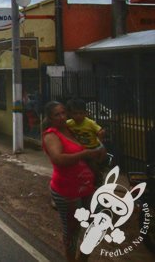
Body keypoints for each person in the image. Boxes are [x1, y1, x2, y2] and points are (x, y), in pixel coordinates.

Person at [42, 101, 101, 262]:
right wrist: (85, 154)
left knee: (97, 224)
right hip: (67, 190)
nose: (62, 117)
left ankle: (82, 258)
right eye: (57, 114)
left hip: (87, 187)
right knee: (72, 231)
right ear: (49, 118)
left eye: (63, 113)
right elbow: (58, 159)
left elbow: (90, 140)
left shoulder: (72, 129)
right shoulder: (51, 135)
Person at [66, 98, 107, 183]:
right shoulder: (69, 123)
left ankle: (98, 179)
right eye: (75, 113)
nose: (78, 116)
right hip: (79, 149)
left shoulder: (90, 123)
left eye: (81, 113)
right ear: (70, 114)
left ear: (85, 113)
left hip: (92, 148)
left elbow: (99, 131)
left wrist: (100, 137)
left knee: (92, 165)